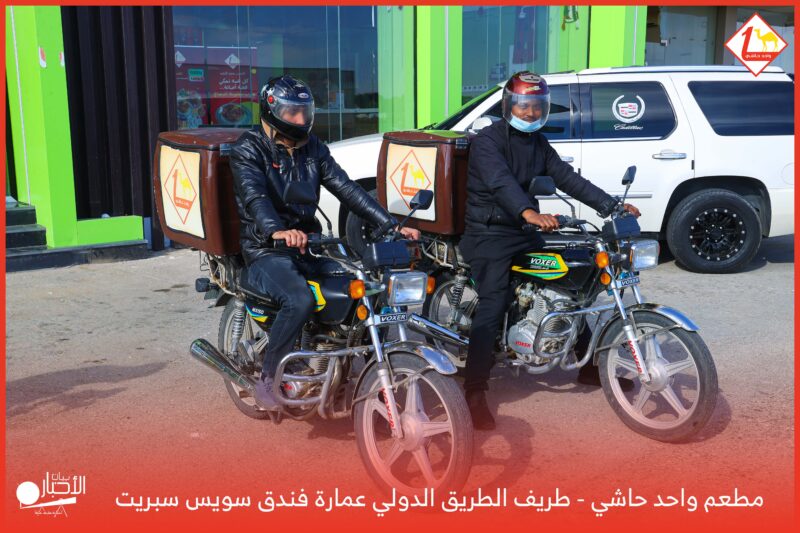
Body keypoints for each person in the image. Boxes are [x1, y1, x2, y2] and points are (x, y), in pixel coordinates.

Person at [460, 71, 641, 430]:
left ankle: (588, 365)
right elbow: (500, 182)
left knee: (572, 282)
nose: (530, 113)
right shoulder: (487, 141)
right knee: (494, 301)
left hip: (524, 229)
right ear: (509, 105)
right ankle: (475, 389)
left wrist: (612, 206)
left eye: (536, 106)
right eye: (523, 105)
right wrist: (528, 212)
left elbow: (568, 178)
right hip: (488, 232)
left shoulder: (538, 144)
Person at [229, 75, 419, 410]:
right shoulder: (249, 148)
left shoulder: (313, 147)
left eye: (304, 111)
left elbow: (347, 188)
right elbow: (254, 196)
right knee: (299, 299)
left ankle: (357, 371)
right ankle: (268, 380)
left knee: (367, 291)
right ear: (271, 110)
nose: (300, 118)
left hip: (309, 245)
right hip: (266, 249)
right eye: (292, 112)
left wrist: (390, 224)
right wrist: (277, 230)